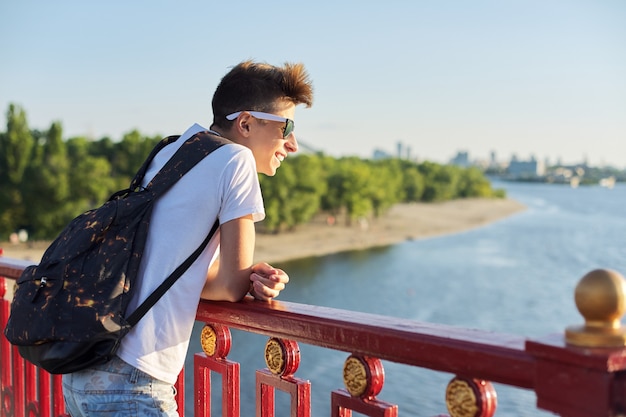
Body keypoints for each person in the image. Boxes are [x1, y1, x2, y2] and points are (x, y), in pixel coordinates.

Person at [62, 60, 314, 416]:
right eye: (286, 126)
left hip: (84, 369)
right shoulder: (236, 161)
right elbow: (229, 287)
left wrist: (242, 275)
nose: (293, 144)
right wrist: (247, 278)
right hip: (133, 381)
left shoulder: (171, 150)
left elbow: (173, 273)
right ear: (245, 123)